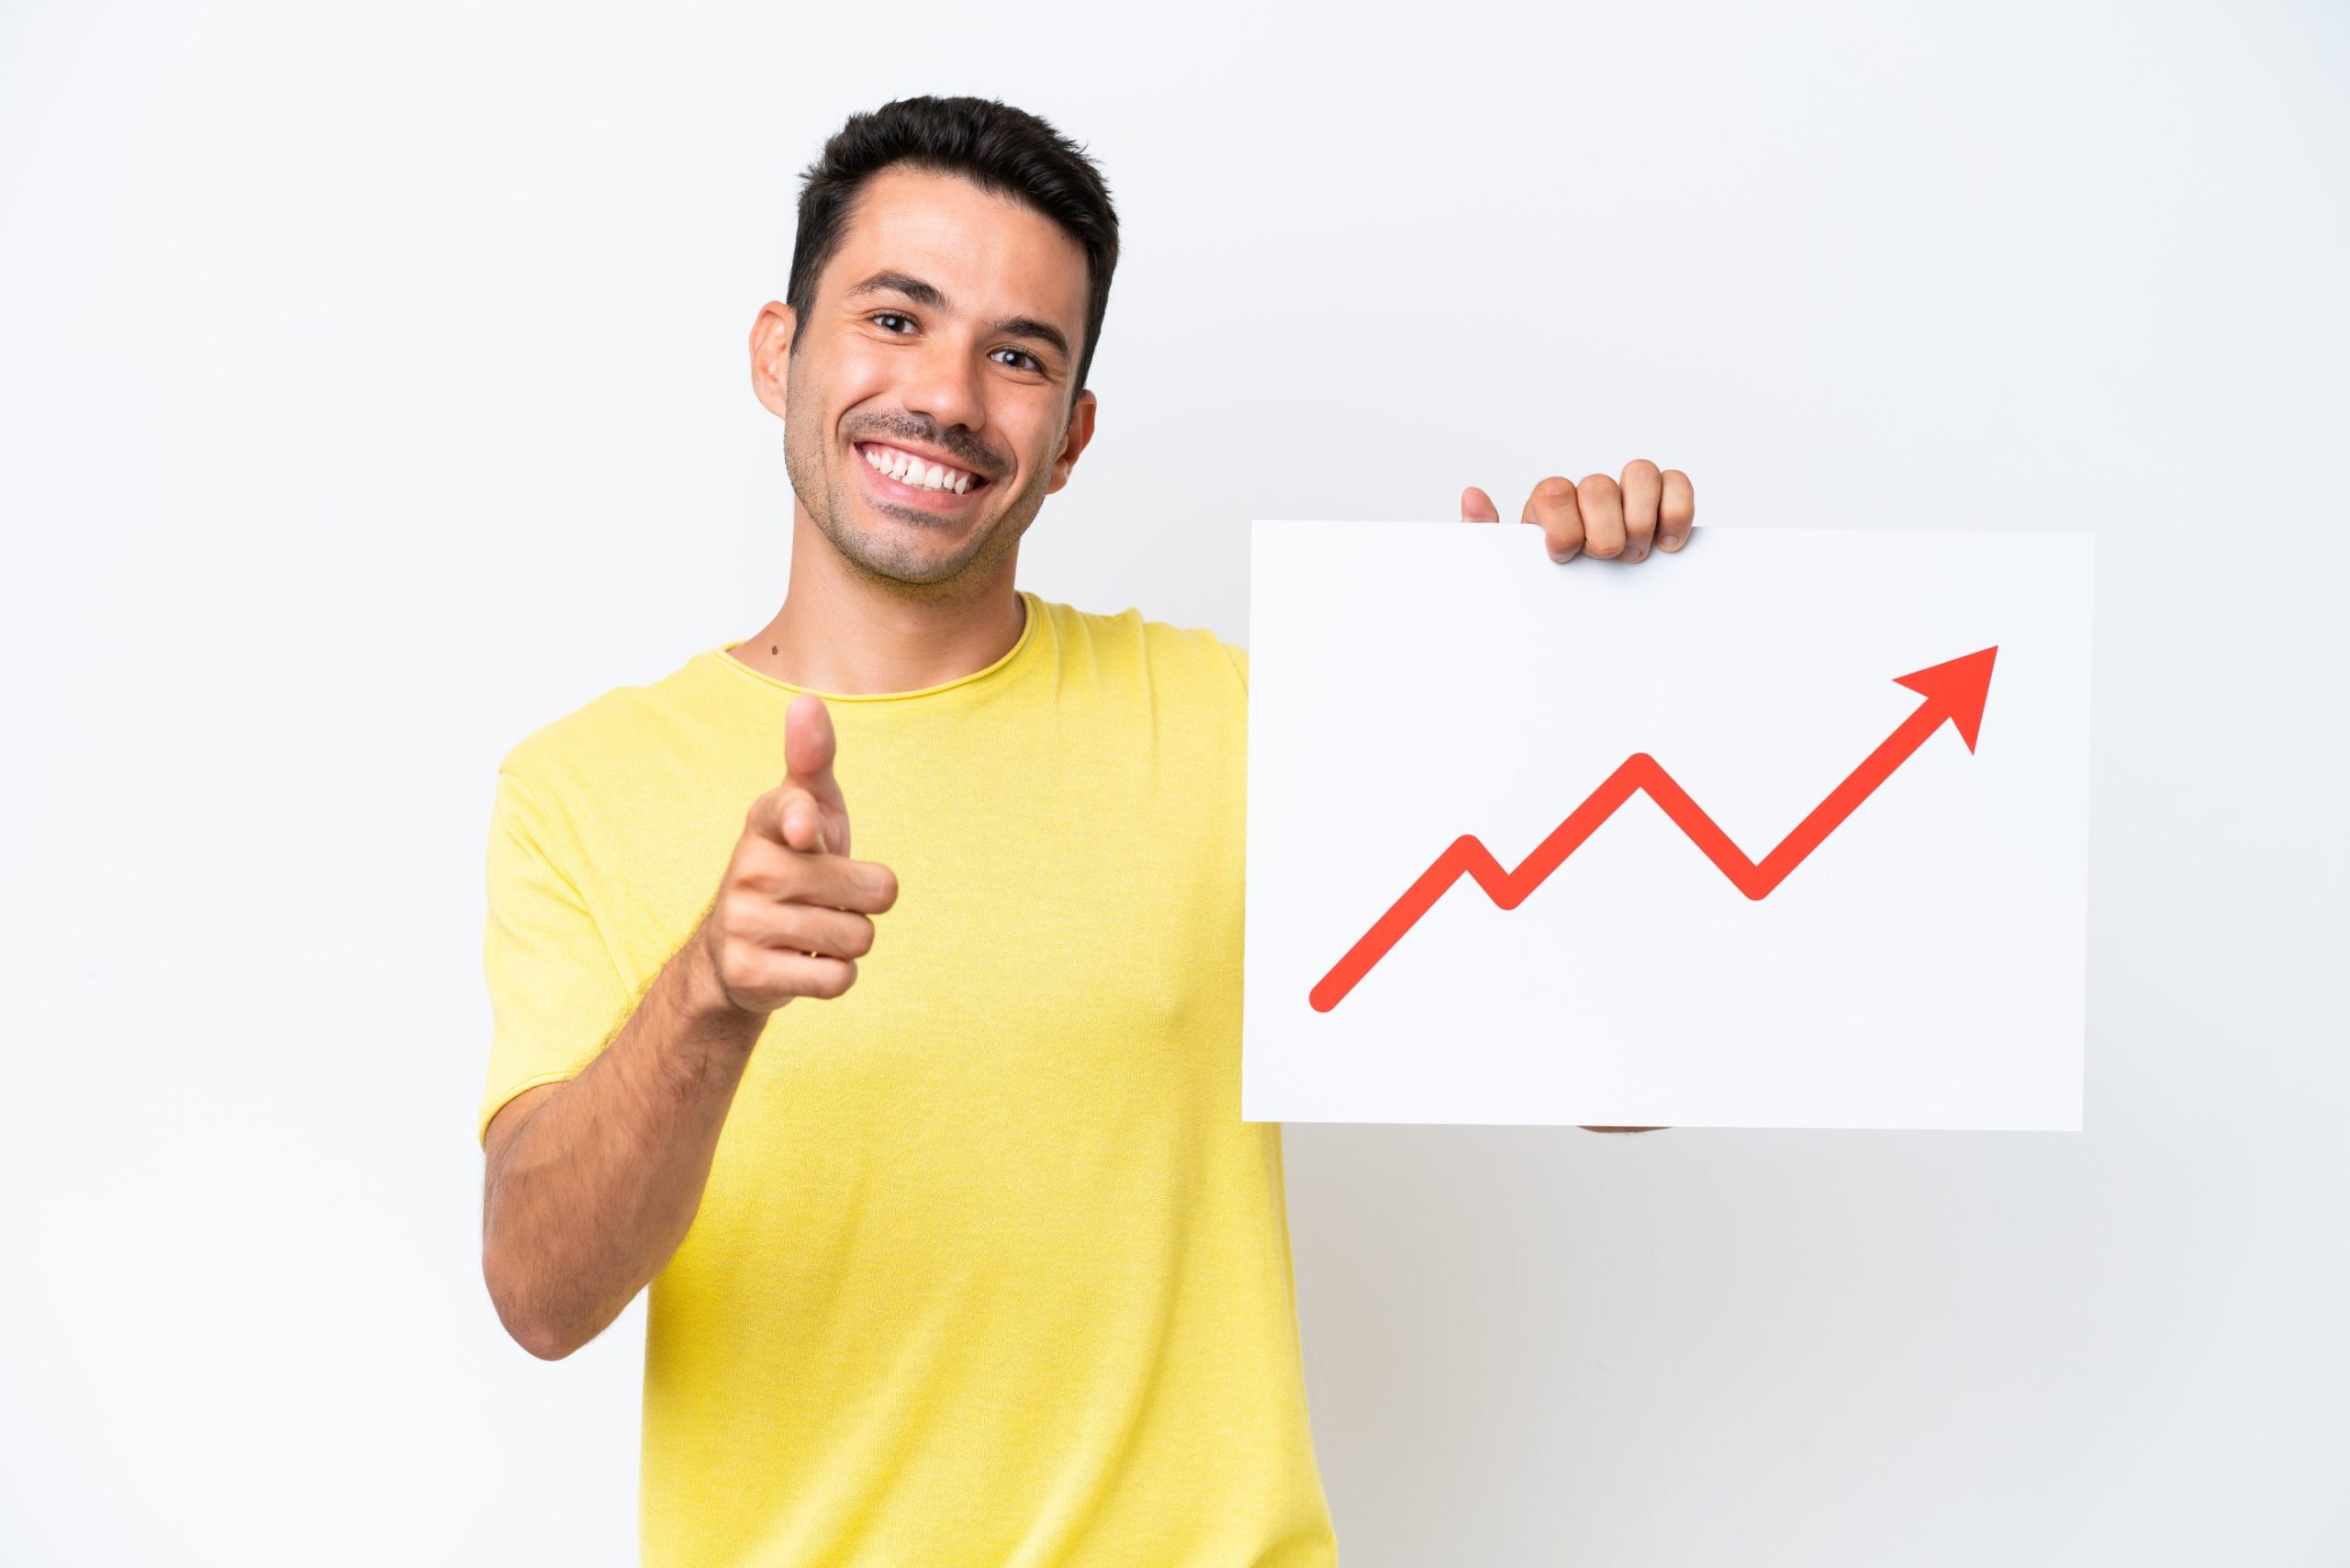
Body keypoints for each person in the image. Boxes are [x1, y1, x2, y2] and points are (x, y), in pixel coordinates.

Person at [476, 94, 1688, 1568]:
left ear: (1071, 436)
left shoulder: (1244, 728)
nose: (946, 398)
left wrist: (1576, 685)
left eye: (1018, 355)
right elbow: (540, 1295)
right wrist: (710, 999)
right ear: (779, 354)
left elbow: (1626, 1076)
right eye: (896, 319)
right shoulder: (582, 785)